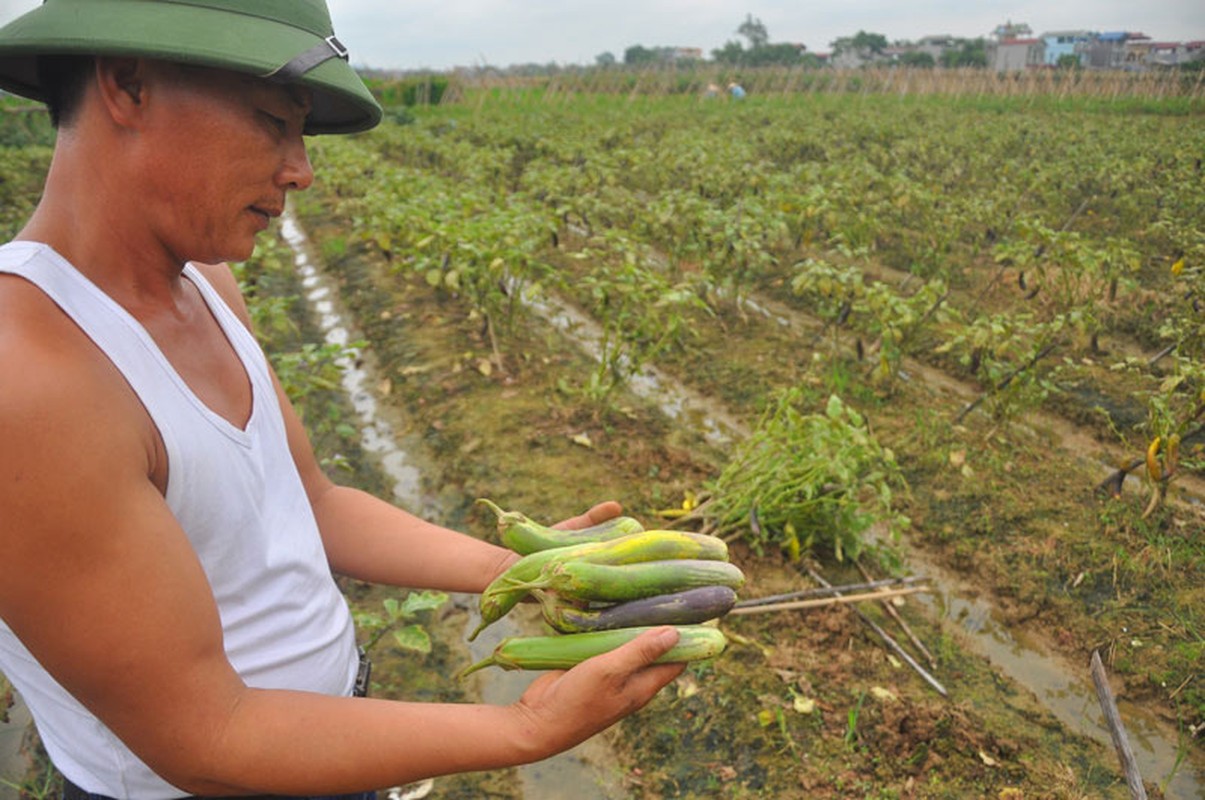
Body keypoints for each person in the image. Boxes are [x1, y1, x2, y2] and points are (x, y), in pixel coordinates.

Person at [0, 2, 686, 799]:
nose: (301, 169)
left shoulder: (207, 286)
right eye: (270, 122)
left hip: (324, 746)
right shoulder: (30, 383)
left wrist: (522, 570)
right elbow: (207, 734)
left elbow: (313, 504)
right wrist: (525, 729)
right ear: (127, 83)